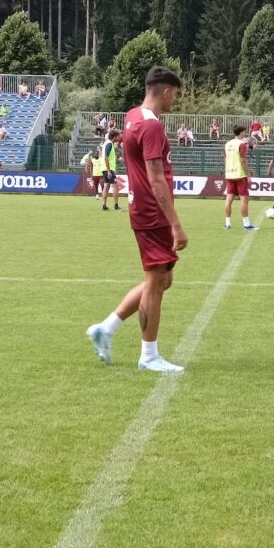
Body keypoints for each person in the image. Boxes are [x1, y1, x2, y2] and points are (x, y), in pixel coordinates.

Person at [85, 66, 187, 373]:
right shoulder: (152, 126)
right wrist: (176, 224)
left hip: (142, 208)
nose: (175, 101)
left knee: (162, 279)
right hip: (152, 212)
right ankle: (149, 356)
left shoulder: (133, 116)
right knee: (156, 283)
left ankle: (107, 327)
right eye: (176, 95)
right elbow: (156, 179)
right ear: (166, 91)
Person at [223, 125, 258, 230]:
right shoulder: (241, 144)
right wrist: (248, 175)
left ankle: (228, 223)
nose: (245, 133)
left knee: (229, 198)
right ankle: (246, 224)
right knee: (244, 198)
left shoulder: (227, 144)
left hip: (229, 174)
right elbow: (243, 160)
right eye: (244, 131)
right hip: (239, 174)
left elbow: (226, 159)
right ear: (241, 132)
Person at [101, 129, 122, 212]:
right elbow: (106, 157)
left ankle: (104, 205)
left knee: (106, 186)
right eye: (118, 136)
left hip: (104, 168)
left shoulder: (107, 143)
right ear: (115, 136)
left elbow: (108, 157)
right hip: (109, 169)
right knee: (115, 186)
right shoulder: (109, 144)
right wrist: (109, 170)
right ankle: (116, 206)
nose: (119, 137)